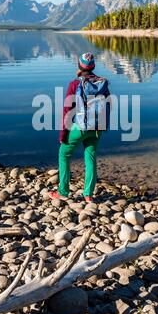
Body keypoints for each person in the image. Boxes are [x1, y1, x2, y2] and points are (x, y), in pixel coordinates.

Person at [49, 53, 110, 203]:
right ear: (93, 66)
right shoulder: (102, 84)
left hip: (79, 127)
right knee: (91, 156)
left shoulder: (74, 84)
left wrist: (63, 133)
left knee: (64, 154)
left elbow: (67, 111)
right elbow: (109, 105)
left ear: (79, 66)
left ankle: (63, 192)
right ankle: (88, 194)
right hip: (97, 127)